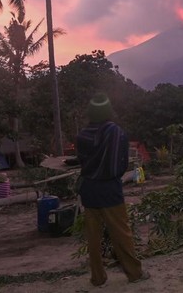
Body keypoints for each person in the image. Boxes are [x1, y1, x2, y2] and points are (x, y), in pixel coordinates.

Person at [76, 92, 150, 286]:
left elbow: (81, 161)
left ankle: (98, 278)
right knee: (121, 233)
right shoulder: (115, 132)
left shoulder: (82, 135)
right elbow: (120, 164)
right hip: (109, 190)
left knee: (93, 237)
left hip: (89, 191)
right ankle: (134, 273)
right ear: (108, 111)